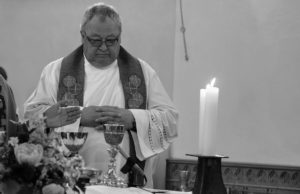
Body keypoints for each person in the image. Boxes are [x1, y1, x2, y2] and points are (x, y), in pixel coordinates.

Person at [24, 2, 178, 188]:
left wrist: (133, 118)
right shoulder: (55, 71)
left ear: (120, 37)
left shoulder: (142, 73)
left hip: (126, 181)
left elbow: (170, 120)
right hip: (67, 182)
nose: (104, 47)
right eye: (96, 40)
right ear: (83, 36)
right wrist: (78, 116)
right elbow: (31, 117)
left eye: (111, 40)